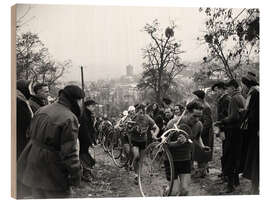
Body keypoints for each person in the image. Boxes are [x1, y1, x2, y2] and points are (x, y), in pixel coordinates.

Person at [17, 85, 85, 199]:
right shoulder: (69, 118)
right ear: (76, 100)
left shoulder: (42, 109)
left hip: (33, 165)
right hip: (52, 171)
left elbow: (29, 133)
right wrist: (76, 176)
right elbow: (70, 154)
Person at [164, 101, 209, 196]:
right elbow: (164, 144)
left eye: (199, 116)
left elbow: (197, 137)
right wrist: (177, 143)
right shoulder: (173, 123)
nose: (197, 119)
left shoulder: (199, 125)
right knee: (174, 191)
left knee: (185, 190)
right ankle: (166, 193)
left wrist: (202, 146)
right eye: (194, 116)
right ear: (187, 112)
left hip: (185, 159)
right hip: (171, 160)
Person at [215, 79, 245, 193]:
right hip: (240, 131)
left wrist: (221, 122)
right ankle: (236, 181)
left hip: (232, 131)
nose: (227, 90)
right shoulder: (241, 97)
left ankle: (230, 185)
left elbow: (233, 116)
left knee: (230, 157)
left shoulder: (233, 98)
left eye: (228, 88)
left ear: (233, 87)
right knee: (236, 156)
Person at [131, 104, 160, 184]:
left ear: (144, 112)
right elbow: (127, 127)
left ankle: (138, 176)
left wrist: (155, 134)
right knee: (136, 156)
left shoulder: (147, 118)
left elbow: (157, 128)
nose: (141, 113)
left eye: (143, 111)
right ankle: (136, 174)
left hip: (143, 141)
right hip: (134, 140)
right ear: (137, 112)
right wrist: (132, 128)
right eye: (139, 111)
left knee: (141, 159)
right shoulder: (133, 117)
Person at [241, 72, 259, 194]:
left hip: (255, 132)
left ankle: (255, 187)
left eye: (243, 85)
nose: (242, 87)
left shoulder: (255, 94)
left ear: (247, 85)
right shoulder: (255, 92)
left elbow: (255, 115)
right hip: (254, 131)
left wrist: (244, 114)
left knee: (255, 160)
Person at [16, 79, 34, 198]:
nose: (31, 92)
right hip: (21, 140)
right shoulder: (20, 102)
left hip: (21, 138)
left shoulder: (21, 100)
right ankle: (22, 192)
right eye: (29, 88)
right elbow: (26, 122)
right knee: (21, 165)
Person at [211, 81, 231, 181]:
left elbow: (226, 116)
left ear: (222, 88)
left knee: (227, 151)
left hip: (226, 129)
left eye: (217, 90)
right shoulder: (222, 99)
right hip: (223, 127)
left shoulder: (226, 99)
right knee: (224, 151)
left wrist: (221, 129)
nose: (216, 92)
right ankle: (224, 172)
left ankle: (227, 174)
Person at [192, 90, 213, 177]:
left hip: (205, 133)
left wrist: (200, 132)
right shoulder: (200, 105)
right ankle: (202, 170)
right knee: (200, 151)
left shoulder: (205, 107)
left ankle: (203, 172)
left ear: (199, 98)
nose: (194, 99)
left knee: (203, 151)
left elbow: (208, 122)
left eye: (195, 97)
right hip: (201, 131)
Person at [78, 98, 98, 182]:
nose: (94, 108)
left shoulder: (88, 114)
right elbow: (85, 130)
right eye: (93, 106)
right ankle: (86, 174)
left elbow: (91, 129)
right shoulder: (84, 115)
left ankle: (87, 172)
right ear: (88, 106)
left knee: (86, 156)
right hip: (83, 140)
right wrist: (90, 141)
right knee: (85, 156)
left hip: (85, 139)